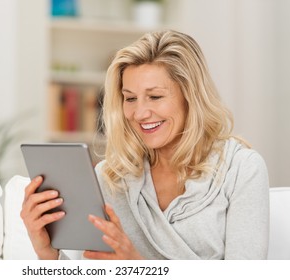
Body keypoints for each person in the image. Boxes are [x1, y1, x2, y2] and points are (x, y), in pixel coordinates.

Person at [21, 30, 270, 260]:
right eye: (130, 98)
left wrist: (137, 265)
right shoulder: (110, 178)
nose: (139, 113)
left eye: (155, 96)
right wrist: (48, 253)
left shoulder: (241, 169)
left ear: (190, 96)